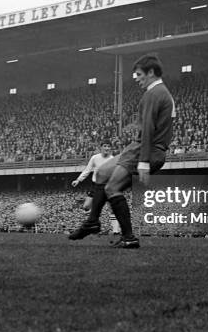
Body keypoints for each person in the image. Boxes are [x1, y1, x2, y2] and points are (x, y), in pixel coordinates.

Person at [69, 53, 175, 248]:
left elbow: (149, 129)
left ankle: (129, 237)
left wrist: (143, 161)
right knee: (101, 173)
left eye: (139, 74)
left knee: (111, 188)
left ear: (151, 72)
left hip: (146, 149)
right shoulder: (161, 92)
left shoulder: (154, 93)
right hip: (140, 148)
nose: (136, 78)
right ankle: (93, 222)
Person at [71, 140, 119, 234]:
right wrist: (78, 180)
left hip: (108, 185)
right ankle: (94, 212)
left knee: (111, 208)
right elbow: (87, 170)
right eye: (105, 146)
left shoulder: (113, 159)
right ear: (101, 147)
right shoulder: (95, 158)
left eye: (108, 146)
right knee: (86, 206)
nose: (107, 148)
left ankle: (116, 231)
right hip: (96, 185)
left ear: (110, 148)